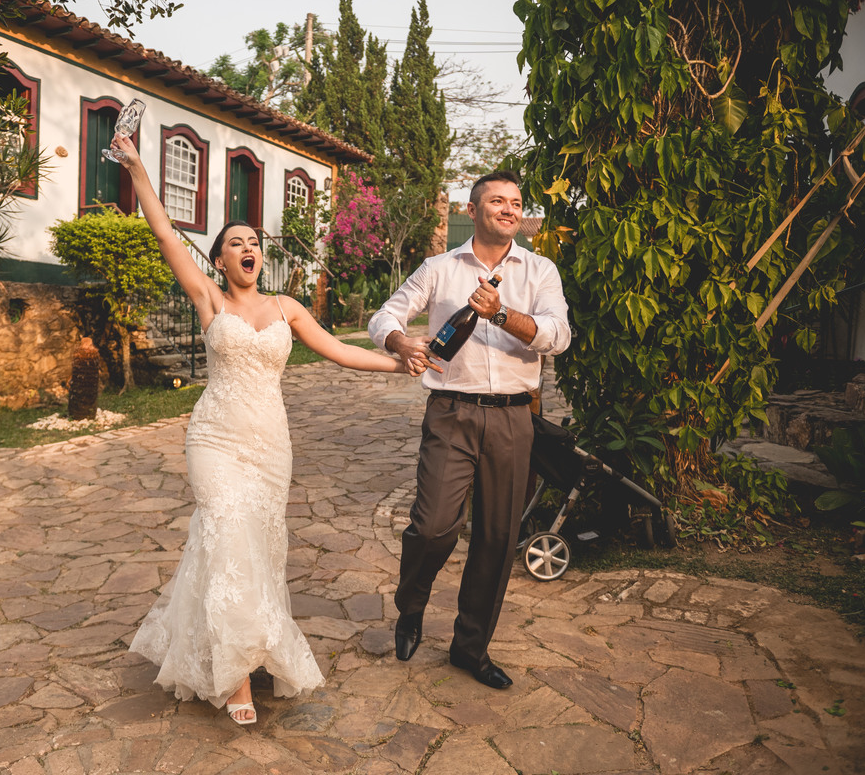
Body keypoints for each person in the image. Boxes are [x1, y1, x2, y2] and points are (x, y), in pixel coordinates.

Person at [111, 133, 415, 726]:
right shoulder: (209, 300)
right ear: (220, 261)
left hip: (270, 446)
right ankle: (237, 677)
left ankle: (246, 646)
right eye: (236, 243)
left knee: (255, 550)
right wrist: (138, 168)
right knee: (227, 535)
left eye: (253, 242)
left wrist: (397, 362)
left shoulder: (286, 308)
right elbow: (166, 234)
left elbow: (339, 351)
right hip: (215, 440)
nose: (247, 248)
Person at [368, 170, 570, 689]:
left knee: (498, 537)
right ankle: (412, 605)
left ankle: (470, 649)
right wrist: (400, 343)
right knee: (433, 525)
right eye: (497, 201)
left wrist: (501, 315)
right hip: (451, 411)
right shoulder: (440, 268)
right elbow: (385, 315)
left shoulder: (540, 270)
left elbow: (557, 335)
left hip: (513, 417)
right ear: (473, 209)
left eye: (516, 203)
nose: (509, 209)